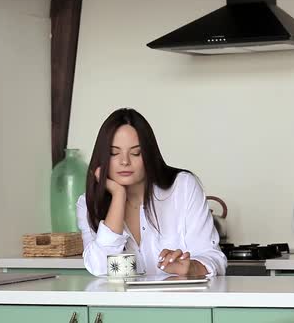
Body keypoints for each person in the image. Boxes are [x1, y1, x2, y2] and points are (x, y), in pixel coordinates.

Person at [76, 108, 227, 277]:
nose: (125, 161)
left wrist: (190, 268)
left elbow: (214, 258)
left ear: (148, 154)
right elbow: (99, 267)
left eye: (136, 153)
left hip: (180, 300)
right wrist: (119, 196)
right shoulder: (88, 203)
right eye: (114, 153)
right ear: (102, 157)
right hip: (119, 303)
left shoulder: (183, 186)